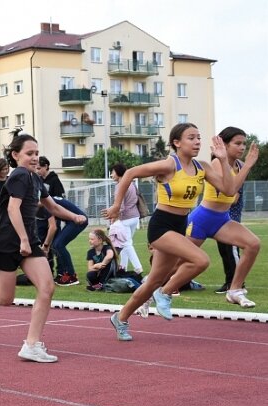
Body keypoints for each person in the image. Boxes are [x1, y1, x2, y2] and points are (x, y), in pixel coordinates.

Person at [103, 123, 237, 340]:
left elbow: (229, 190)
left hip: (180, 224)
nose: (197, 142)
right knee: (200, 260)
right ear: (177, 142)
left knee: (154, 279)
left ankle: (121, 317)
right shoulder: (168, 165)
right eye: (191, 138)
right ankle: (165, 292)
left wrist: (223, 159)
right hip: (161, 225)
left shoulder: (202, 167)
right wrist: (117, 205)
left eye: (199, 138)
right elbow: (129, 173)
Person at [0, 133, 86, 363]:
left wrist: (74, 216)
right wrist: (24, 240)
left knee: (47, 288)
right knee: (5, 299)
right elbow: (12, 209)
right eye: (30, 153)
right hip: (9, 242)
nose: (35, 157)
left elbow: (52, 207)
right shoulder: (18, 175)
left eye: (37, 153)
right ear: (15, 155)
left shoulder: (36, 178)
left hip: (28, 241)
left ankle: (31, 345)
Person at [186, 126, 260, 308]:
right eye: (237, 143)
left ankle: (234, 290)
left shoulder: (240, 166)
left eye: (244, 143)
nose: (242, 148)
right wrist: (249, 165)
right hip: (202, 219)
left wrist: (245, 168)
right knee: (175, 264)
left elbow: (233, 196)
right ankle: (149, 291)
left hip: (222, 220)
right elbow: (231, 189)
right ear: (225, 146)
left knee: (253, 244)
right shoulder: (217, 164)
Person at [38, 156, 88, 285]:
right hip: (71, 220)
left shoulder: (48, 204)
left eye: (39, 168)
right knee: (57, 245)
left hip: (77, 221)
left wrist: (45, 246)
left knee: (58, 245)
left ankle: (71, 276)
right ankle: (63, 273)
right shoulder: (46, 202)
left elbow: (53, 226)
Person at [109, 163, 143, 274]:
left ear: (118, 173)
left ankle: (138, 268)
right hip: (135, 217)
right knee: (123, 243)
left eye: (113, 172)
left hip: (125, 218)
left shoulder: (120, 186)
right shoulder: (132, 184)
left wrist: (113, 217)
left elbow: (121, 206)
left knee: (127, 243)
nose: (111, 175)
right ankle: (123, 267)